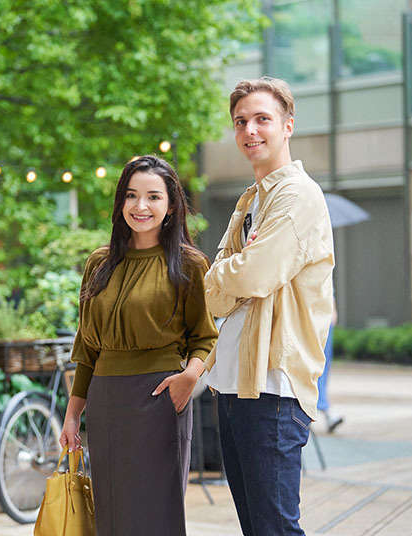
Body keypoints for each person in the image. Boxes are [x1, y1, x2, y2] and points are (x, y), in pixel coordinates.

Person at [60, 155, 218, 536]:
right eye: (131, 196)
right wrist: (72, 413)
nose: (141, 206)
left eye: (153, 196)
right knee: (112, 513)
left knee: (156, 515)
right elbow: (88, 348)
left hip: (161, 397)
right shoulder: (99, 263)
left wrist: (188, 377)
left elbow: (207, 337)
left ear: (171, 206)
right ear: (121, 203)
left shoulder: (190, 264)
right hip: (107, 401)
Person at [203, 77, 334, 535]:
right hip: (236, 382)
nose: (250, 130)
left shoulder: (297, 195)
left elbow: (252, 276)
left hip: (273, 386)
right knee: (257, 527)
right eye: (241, 122)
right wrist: (237, 268)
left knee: (275, 527)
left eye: (263, 119)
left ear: (288, 126)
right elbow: (217, 287)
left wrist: (236, 268)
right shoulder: (252, 200)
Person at [318, 297, 344, 432]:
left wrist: (332, 308)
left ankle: (325, 410)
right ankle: (325, 411)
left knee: (322, 368)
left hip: (324, 318)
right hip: (311, 317)